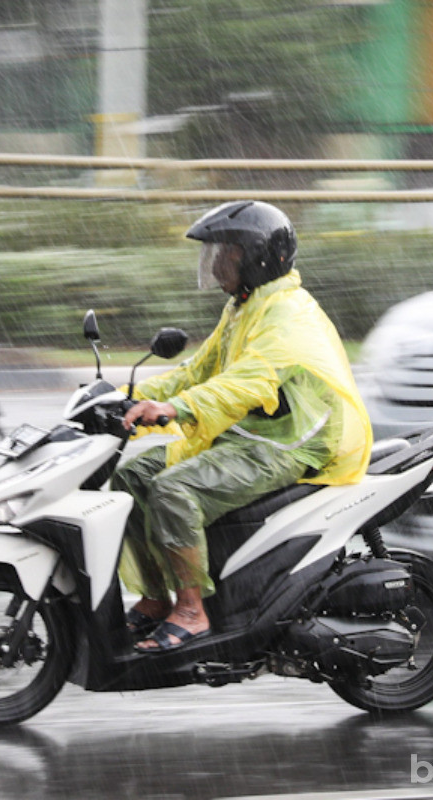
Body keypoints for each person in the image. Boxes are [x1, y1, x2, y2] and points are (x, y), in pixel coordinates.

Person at [114, 200, 372, 652]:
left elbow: (247, 382)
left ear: (256, 257)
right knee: (131, 476)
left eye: (225, 253)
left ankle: (192, 612)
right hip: (256, 433)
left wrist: (177, 409)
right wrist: (128, 399)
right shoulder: (245, 306)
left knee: (174, 489)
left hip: (295, 440)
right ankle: (156, 597)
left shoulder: (287, 315)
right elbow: (200, 369)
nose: (215, 263)